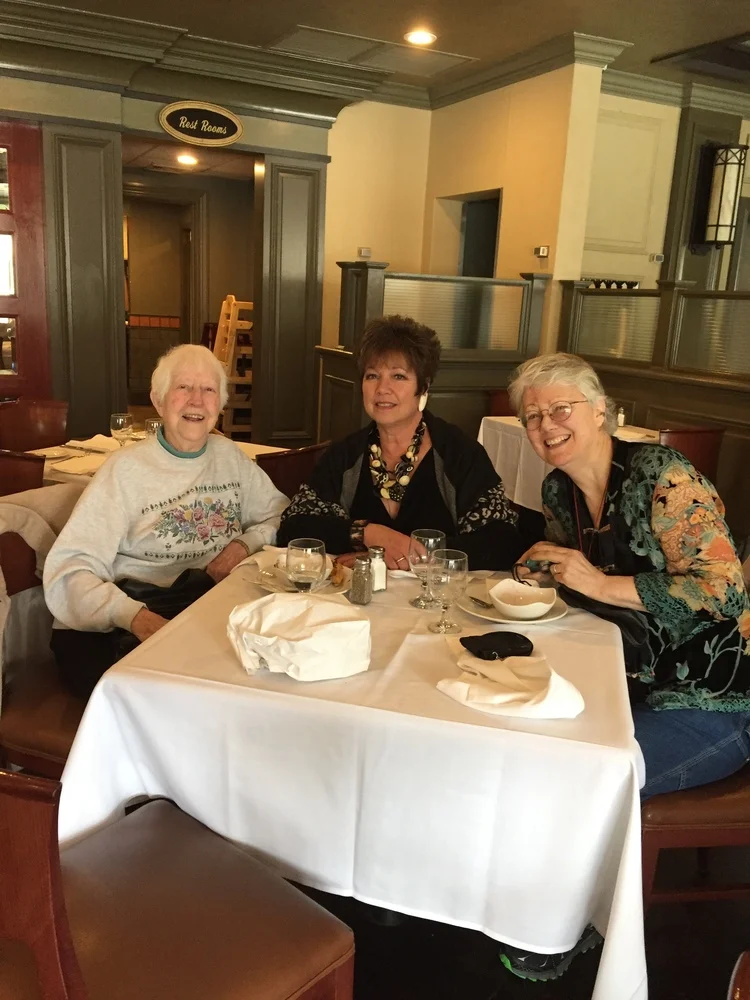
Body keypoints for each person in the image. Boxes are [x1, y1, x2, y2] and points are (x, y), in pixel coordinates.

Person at [495, 351, 750, 982]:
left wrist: (601, 583)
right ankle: (513, 893)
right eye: (532, 415)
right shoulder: (560, 490)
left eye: (561, 408)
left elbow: (725, 592)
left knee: (585, 779)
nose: (546, 424)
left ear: (602, 410)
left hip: (713, 701)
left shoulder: (665, 478)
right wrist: (551, 571)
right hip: (625, 680)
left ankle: (568, 927)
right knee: (527, 743)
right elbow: (587, 587)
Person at [44, 344, 288, 699]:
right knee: (157, 702)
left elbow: (281, 513)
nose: (196, 400)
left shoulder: (229, 458)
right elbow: (68, 570)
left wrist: (243, 544)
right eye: (183, 387)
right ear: (158, 401)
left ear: (219, 406)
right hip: (119, 618)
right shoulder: (124, 470)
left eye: (208, 390)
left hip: (198, 606)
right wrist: (136, 617)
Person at [277, 315, 524, 570]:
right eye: (372, 376)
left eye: (398, 376)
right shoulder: (345, 455)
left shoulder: (458, 453)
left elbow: (502, 542)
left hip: (437, 601)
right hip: (357, 603)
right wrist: (368, 534)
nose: (382, 388)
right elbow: (294, 527)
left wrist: (408, 556)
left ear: (423, 387)